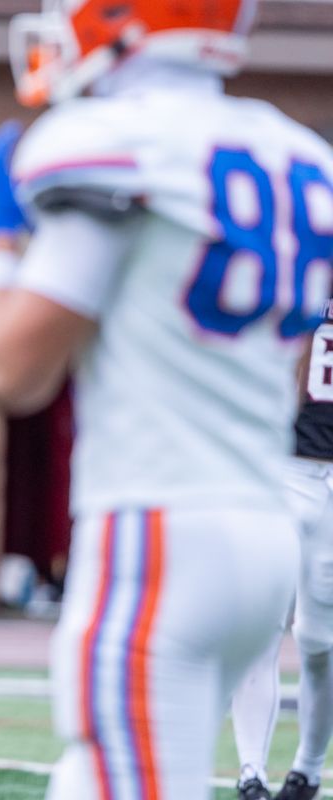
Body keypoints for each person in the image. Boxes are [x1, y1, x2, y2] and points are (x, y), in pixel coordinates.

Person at [0, 1, 333, 797]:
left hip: (158, 527)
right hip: (262, 531)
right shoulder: (295, 152)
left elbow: (13, 368)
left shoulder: (117, 142)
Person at [229, 303, 333, 800]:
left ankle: (307, 771)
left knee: (319, 641)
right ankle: (252, 773)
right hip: (285, 469)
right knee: (260, 624)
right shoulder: (297, 263)